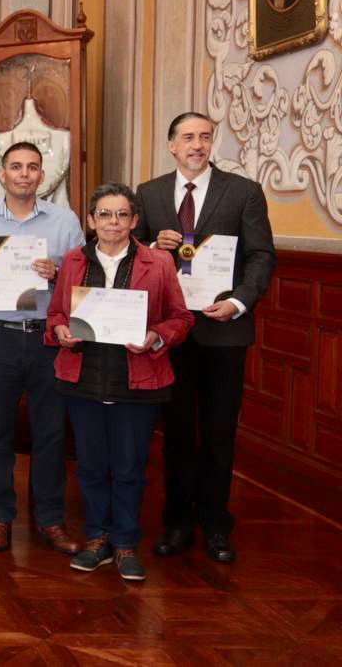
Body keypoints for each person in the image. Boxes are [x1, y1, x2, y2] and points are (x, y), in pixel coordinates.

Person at [136, 112, 275, 564]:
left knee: (218, 431)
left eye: (205, 137)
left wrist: (239, 301)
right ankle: (176, 521)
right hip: (170, 333)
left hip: (223, 329)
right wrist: (153, 249)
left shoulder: (243, 191)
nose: (197, 144)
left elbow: (261, 255)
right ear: (171, 145)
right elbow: (129, 255)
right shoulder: (149, 193)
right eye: (188, 137)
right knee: (176, 432)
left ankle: (215, 523)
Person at [46, 183, 193, 582]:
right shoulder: (73, 260)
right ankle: (97, 540)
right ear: (91, 221)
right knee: (91, 467)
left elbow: (181, 318)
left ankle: (126, 543)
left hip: (137, 380)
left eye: (122, 214)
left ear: (134, 220)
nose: (113, 222)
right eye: (105, 214)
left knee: (129, 468)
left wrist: (156, 336)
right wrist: (59, 331)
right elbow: (56, 314)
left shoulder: (158, 263)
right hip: (84, 378)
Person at [0, 141, 84, 556]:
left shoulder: (64, 221)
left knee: (50, 433)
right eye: (15, 167)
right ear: (2, 174)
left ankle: (50, 518)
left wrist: (58, 274)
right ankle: (0, 517)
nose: (24, 174)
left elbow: (82, 281)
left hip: (46, 339)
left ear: (41, 176)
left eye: (32, 167)